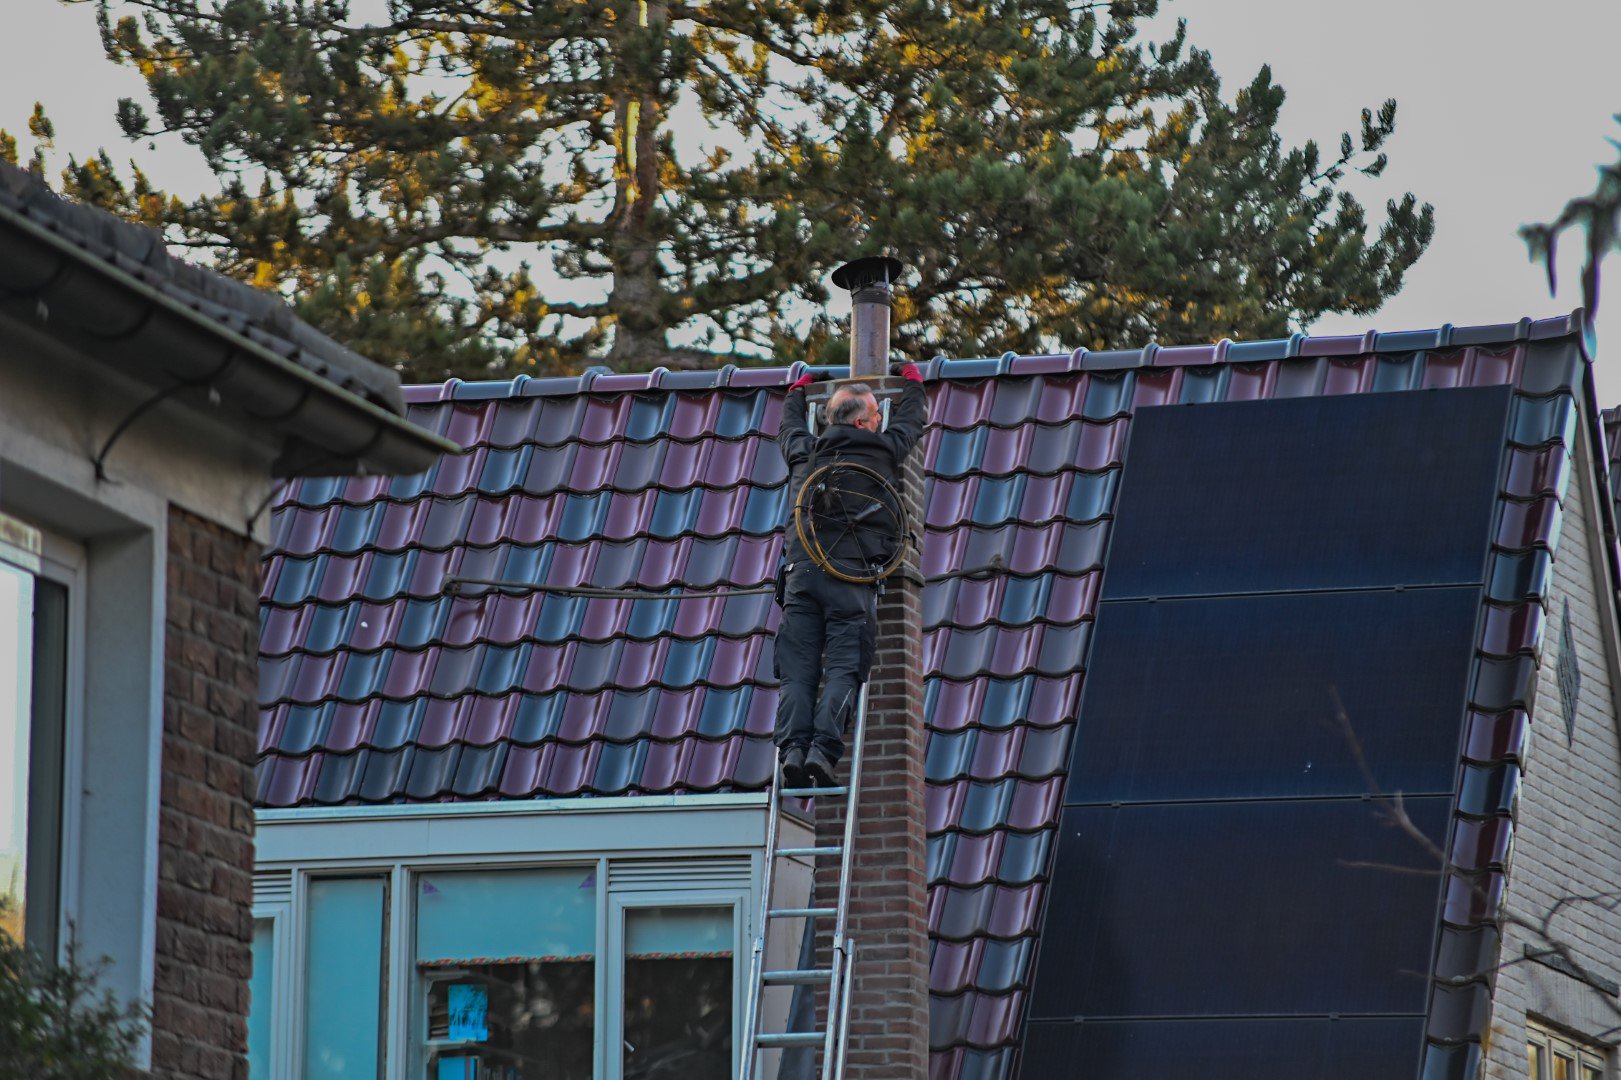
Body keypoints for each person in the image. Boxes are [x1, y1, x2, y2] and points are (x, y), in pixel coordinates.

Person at [772, 362, 929, 787]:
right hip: (851, 580)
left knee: (798, 670)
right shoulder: (882, 452)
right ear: (863, 421)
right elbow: (913, 421)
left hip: (801, 575)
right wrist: (912, 381)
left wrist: (797, 391)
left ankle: (791, 751)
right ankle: (822, 752)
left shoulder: (806, 452)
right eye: (878, 414)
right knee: (843, 667)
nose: (882, 420)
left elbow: (788, 428)